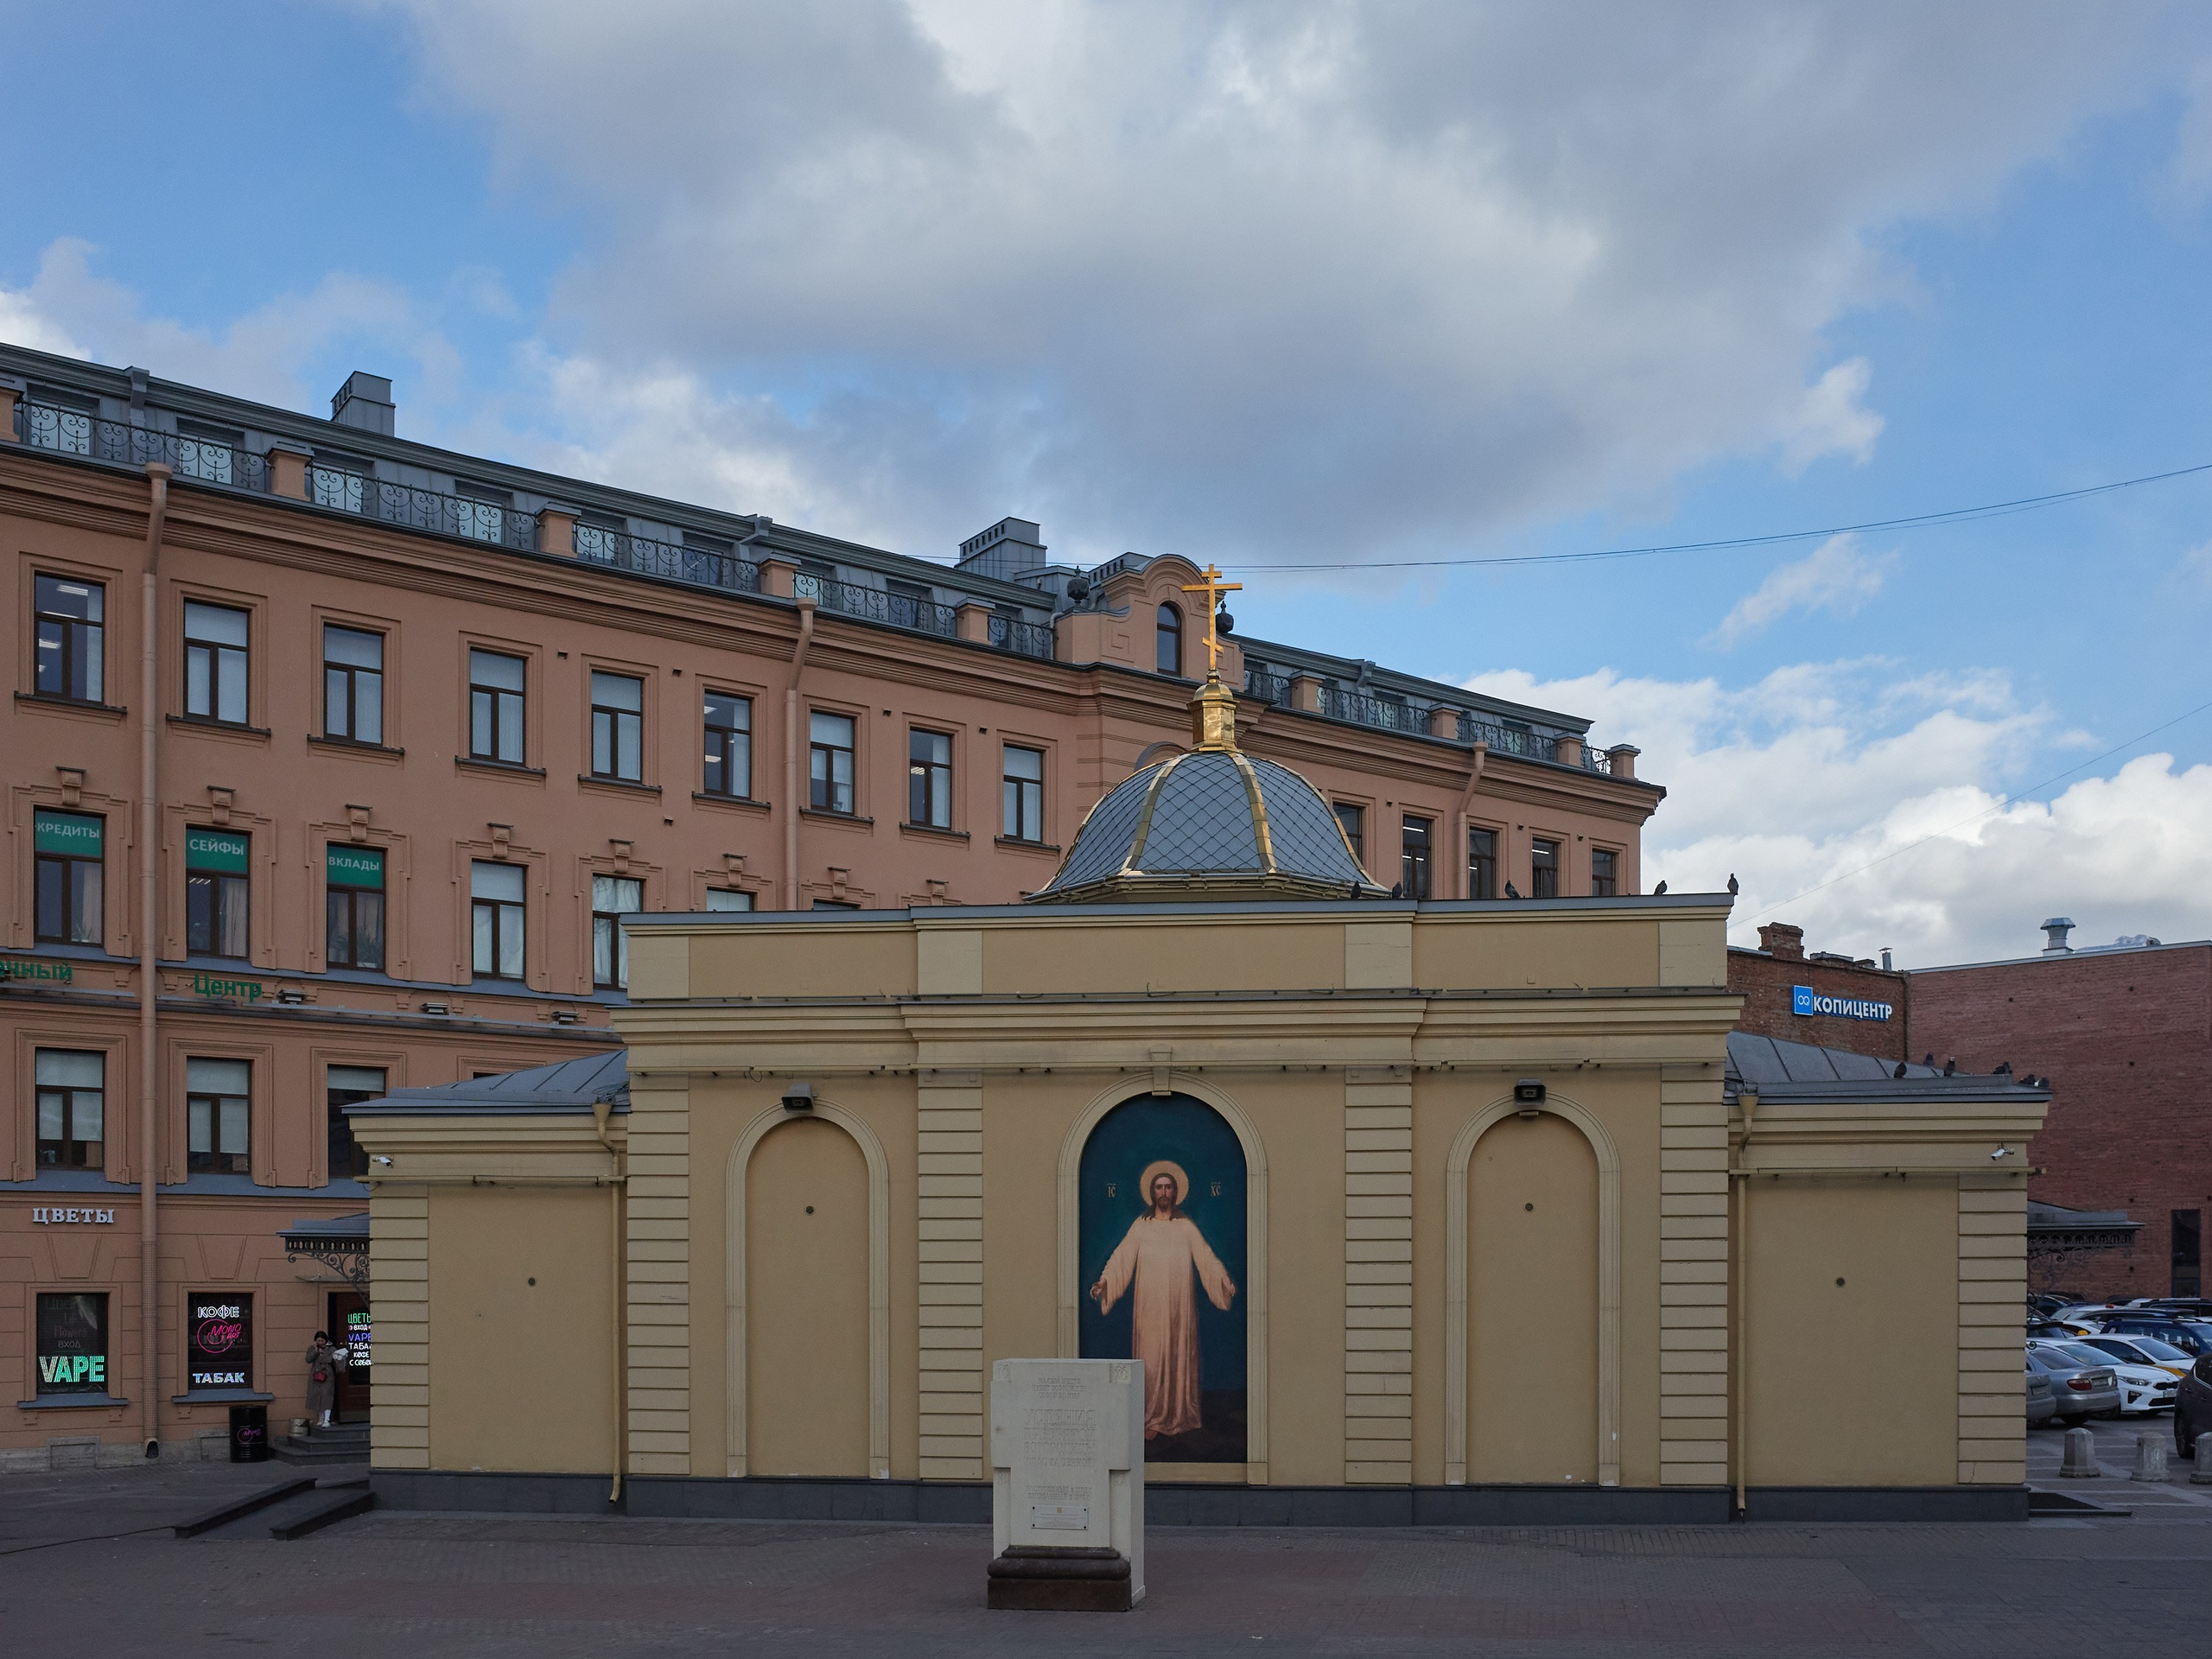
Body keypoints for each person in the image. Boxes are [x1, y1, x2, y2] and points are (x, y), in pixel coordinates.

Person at [1090, 1169, 1236, 1440]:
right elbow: (1122, 1256)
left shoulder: (1186, 1226)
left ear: (1176, 1192)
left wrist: (1222, 1279)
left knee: (1178, 1355)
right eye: (1159, 1187)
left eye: (1169, 1187)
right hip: (1150, 1307)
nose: (1164, 1192)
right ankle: (1151, 1418)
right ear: (1151, 1191)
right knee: (1152, 1359)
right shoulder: (1142, 1226)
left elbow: (1206, 1257)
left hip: (1180, 1307)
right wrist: (1105, 1282)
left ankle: (1180, 1414)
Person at [304, 1330, 346, 1428]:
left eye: (322, 1341)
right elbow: (308, 1360)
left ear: (325, 1340)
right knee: (317, 1396)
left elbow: (337, 1360)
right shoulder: (312, 1349)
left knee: (326, 1396)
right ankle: (320, 1418)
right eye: (318, 1341)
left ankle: (327, 1419)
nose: (320, 1343)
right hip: (316, 1374)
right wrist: (315, 1351)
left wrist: (341, 1365)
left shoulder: (331, 1349)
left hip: (327, 1374)